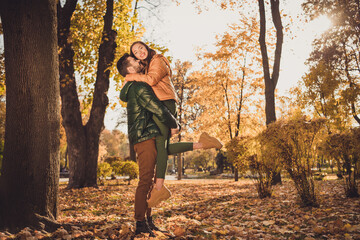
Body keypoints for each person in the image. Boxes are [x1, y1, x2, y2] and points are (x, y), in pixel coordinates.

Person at [117, 53, 222, 236]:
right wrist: (175, 123)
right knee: (145, 181)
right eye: (135, 61)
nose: (139, 61)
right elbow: (157, 109)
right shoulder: (140, 87)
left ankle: (148, 221)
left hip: (148, 134)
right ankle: (140, 223)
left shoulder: (134, 86)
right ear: (130, 69)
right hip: (145, 137)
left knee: (148, 180)